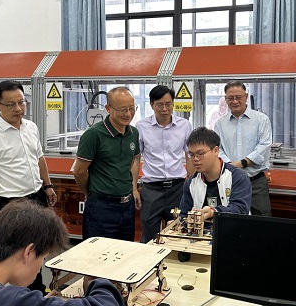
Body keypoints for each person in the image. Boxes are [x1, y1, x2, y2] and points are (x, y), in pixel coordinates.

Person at [0, 80, 58, 292]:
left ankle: (37, 293)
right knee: (15, 258)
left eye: (21, 102)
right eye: (11, 104)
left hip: (36, 197)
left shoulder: (31, 127)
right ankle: (15, 298)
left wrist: (47, 185)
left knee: (37, 252)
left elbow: (39, 158)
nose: (18, 108)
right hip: (10, 203)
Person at [74, 86, 141, 241]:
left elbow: (134, 159)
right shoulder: (93, 135)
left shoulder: (133, 133)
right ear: (108, 108)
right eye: (123, 109)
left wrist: (134, 189)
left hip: (127, 206)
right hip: (101, 208)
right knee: (97, 252)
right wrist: (91, 194)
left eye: (132, 108)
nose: (128, 114)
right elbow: (79, 172)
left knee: (124, 250)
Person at [136, 85, 194, 243]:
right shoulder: (141, 126)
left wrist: (192, 184)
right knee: (149, 235)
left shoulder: (184, 125)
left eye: (168, 104)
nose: (164, 109)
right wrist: (133, 188)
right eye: (159, 105)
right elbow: (135, 158)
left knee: (179, 233)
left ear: (173, 103)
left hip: (177, 188)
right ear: (152, 105)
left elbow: (190, 155)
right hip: (151, 189)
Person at [214, 81, 272, 216]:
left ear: (246, 97)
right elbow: (217, 149)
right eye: (230, 98)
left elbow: (264, 146)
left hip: (255, 182)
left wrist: (241, 164)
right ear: (225, 99)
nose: (235, 101)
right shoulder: (220, 124)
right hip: (229, 182)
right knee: (230, 219)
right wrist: (229, 164)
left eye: (238, 97)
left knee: (262, 220)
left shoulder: (261, 120)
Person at [179, 127, 251, 220]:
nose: (195, 159)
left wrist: (214, 212)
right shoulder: (191, 182)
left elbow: (240, 209)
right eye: (192, 155)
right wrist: (179, 222)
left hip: (232, 228)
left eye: (200, 154)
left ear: (216, 151)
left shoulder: (237, 177)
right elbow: (184, 214)